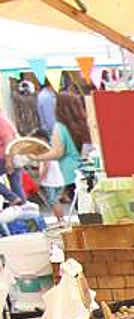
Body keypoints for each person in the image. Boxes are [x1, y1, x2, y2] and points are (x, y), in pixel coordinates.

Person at [31, 90, 91, 223]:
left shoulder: (60, 127)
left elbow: (57, 152)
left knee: (80, 206)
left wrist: (35, 158)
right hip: (87, 168)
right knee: (89, 206)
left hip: (70, 172)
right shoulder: (84, 123)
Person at [0, 105, 23, 200]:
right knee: (16, 184)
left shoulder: (1, 121)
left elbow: (8, 141)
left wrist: (8, 160)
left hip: (5, 157)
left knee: (15, 183)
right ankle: (23, 206)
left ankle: (13, 198)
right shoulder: (4, 119)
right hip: (11, 156)